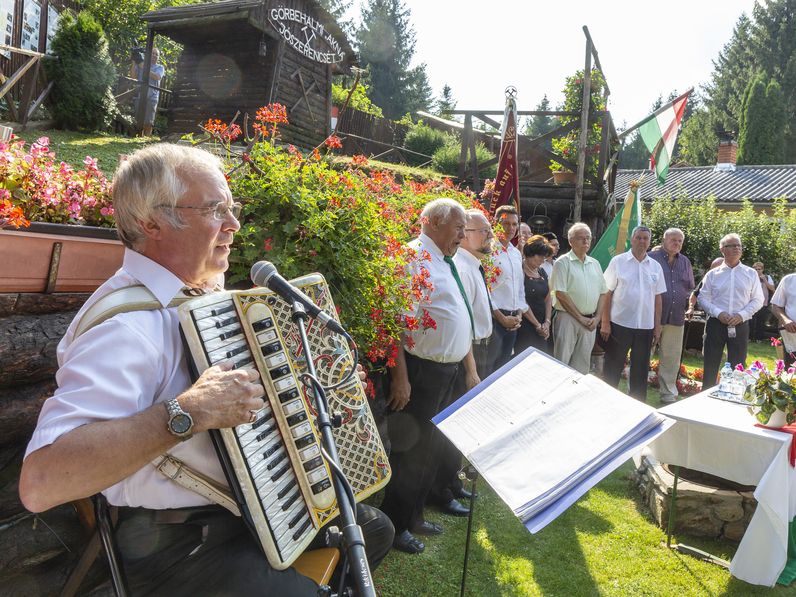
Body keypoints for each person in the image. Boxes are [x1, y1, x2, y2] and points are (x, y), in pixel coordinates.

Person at [18, 144, 393, 594]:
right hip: (178, 543)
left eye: (231, 208)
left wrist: (304, 396)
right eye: (215, 210)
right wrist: (190, 412)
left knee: (374, 529)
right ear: (151, 223)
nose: (233, 224)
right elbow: (41, 482)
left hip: (260, 508)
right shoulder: (125, 328)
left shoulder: (207, 298)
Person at [382, 198, 480, 554]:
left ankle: (415, 516)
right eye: (458, 228)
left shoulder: (443, 259)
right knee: (413, 454)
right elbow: (394, 322)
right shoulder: (414, 258)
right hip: (422, 372)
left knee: (431, 449)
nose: (462, 235)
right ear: (434, 223)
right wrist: (401, 378)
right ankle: (394, 527)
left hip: (446, 371)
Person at [429, 208, 494, 518]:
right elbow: (463, 324)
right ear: (466, 236)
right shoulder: (461, 267)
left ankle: (452, 484)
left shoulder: (472, 265)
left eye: (489, 231)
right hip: (468, 353)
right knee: (452, 428)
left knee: (463, 425)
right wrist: (472, 368)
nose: (490, 237)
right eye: (484, 232)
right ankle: (442, 490)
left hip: (478, 348)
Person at [601, 226, 667, 402]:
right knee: (613, 366)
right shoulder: (618, 262)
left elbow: (658, 298)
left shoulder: (655, 267)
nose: (642, 241)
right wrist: (605, 322)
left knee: (641, 369)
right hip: (619, 324)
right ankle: (606, 402)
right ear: (632, 239)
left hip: (645, 326)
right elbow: (606, 293)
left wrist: (657, 326)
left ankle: (638, 404)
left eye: (645, 238)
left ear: (650, 241)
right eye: (638, 237)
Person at [698, 233, 763, 388]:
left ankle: (734, 396)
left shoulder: (750, 273)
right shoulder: (712, 274)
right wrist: (718, 313)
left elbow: (758, 299)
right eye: (732, 245)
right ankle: (706, 396)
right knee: (710, 365)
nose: (736, 248)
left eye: (738, 245)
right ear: (722, 250)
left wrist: (742, 315)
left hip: (740, 325)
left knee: (737, 367)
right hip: (716, 324)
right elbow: (702, 298)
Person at [550, 222, 607, 374]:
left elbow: (603, 292)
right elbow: (560, 294)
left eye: (588, 237)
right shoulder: (562, 263)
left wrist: (598, 318)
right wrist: (580, 318)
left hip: (590, 321)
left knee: (582, 366)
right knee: (562, 362)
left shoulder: (595, 264)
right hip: (567, 318)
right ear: (570, 241)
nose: (585, 241)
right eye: (581, 238)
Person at [648, 228, 695, 403]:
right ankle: (635, 390)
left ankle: (668, 394)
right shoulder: (651, 258)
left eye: (680, 241)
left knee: (671, 358)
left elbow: (689, 287)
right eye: (673, 240)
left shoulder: (685, 262)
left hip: (676, 317)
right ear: (664, 240)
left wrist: (690, 306)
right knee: (644, 354)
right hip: (651, 316)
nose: (677, 243)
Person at [488, 205, 528, 371]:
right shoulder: (488, 251)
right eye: (506, 223)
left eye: (514, 224)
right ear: (496, 224)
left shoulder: (516, 253)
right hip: (494, 319)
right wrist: (500, 317)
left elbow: (519, 287)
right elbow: (484, 290)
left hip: (513, 320)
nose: (511, 228)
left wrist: (519, 313)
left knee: (503, 369)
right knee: (488, 369)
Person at [515, 235, 552, 355]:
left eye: (544, 257)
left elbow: (548, 297)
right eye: (540, 256)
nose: (542, 260)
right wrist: (537, 325)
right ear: (530, 253)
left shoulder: (542, 271)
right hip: (526, 325)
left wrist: (547, 322)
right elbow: (521, 300)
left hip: (542, 325)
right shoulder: (519, 270)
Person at [136, 47, 165, 136]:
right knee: (138, 118)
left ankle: (147, 138)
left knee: (149, 121)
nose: (154, 55)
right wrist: (134, 62)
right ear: (148, 54)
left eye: (157, 54)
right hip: (140, 95)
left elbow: (157, 77)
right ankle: (138, 137)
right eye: (153, 53)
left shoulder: (160, 67)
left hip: (153, 96)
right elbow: (133, 76)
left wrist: (143, 67)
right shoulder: (141, 65)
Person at [770, 273, 796, 368]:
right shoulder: (788, 280)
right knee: (791, 371)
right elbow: (776, 305)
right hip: (792, 334)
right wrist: (785, 320)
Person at [751, 262, 776, 341]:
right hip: (751, 302)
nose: (757, 271)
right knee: (750, 321)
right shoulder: (750, 277)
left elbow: (773, 289)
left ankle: (759, 338)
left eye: (759, 269)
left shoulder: (767, 277)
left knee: (761, 321)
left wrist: (765, 280)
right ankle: (749, 338)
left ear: (762, 269)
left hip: (763, 303)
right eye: (755, 269)